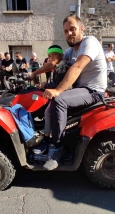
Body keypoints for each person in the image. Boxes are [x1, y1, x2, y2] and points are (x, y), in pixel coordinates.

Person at [30, 15, 107, 170]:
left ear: (81, 29)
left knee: (59, 100)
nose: (69, 33)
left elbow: (77, 67)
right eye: (66, 31)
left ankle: (57, 146)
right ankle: (45, 137)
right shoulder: (70, 51)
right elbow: (53, 63)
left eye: (73, 29)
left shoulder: (89, 43)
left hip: (93, 91)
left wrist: (58, 90)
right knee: (42, 97)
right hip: (79, 89)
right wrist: (33, 74)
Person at [32, 45, 71, 155]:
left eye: (54, 54)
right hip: (61, 92)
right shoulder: (58, 66)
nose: (51, 57)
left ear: (61, 55)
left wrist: (44, 85)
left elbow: (58, 85)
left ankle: (48, 139)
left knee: (48, 112)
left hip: (65, 94)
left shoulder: (63, 67)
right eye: (49, 55)